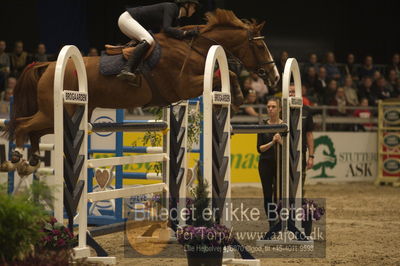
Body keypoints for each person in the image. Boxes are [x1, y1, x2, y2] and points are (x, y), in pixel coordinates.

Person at [117, 0, 200, 82]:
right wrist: (186, 33)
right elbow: (167, 29)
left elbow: (170, 33)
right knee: (148, 40)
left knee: (151, 42)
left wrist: (187, 35)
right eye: (194, 6)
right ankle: (126, 69)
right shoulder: (171, 7)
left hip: (131, 21)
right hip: (127, 19)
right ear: (186, 4)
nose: (195, 10)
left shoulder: (176, 18)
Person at [257, 97, 283, 230]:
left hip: (280, 164)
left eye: (273, 106)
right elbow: (259, 148)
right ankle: (271, 222)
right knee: (267, 194)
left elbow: (290, 147)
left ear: (279, 109)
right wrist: (273, 142)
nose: (270, 109)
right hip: (265, 163)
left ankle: (281, 220)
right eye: (268, 107)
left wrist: (281, 141)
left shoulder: (284, 125)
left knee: (280, 193)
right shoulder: (262, 124)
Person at [289, 85, 314, 196]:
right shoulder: (280, 109)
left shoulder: (307, 110)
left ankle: (298, 204)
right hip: (284, 151)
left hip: (301, 152)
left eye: (293, 91)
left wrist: (311, 156)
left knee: (300, 179)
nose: (291, 94)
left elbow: (309, 134)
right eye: (289, 92)